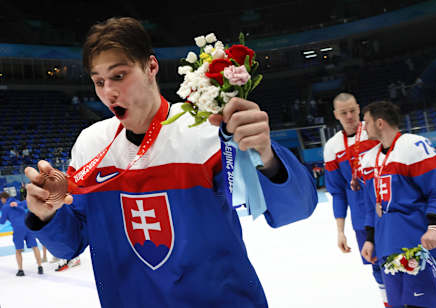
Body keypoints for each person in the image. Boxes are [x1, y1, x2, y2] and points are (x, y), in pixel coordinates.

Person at [24, 17, 317, 307]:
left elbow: (295, 210)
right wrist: (45, 216)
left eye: (119, 75)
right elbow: (70, 244)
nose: (108, 92)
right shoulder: (90, 145)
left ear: (151, 66)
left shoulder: (207, 128)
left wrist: (265, 154)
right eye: (98, 81)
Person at [360, 101, 436, 308]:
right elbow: (372, 205)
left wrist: (433, 226)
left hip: (419, 247)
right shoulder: (370, 159)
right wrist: (370, 239)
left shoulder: (413, 146)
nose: (363, 127)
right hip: (388, 247)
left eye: (366, 121)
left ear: (379, 123)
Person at [323, 93, 397, 307]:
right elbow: (337, 192)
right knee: (377, 267)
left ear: (358, 108)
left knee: (400, 260)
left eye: (353, 111)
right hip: (361, 218)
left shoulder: (374, 130)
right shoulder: (332, 147)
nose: (349, 116)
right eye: (343, 112)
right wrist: (340, 230)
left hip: (389, 210)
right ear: (335, 115)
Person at [0, 191, 43, 276]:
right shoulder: (18, 202)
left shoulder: (5, 207)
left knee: (18, 250)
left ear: (3, 199)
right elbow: (26, 203)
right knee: (35, 246)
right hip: (28, 226)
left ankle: (20, 270)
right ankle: (40, 266)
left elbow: (2, 221)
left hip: (18, 229)